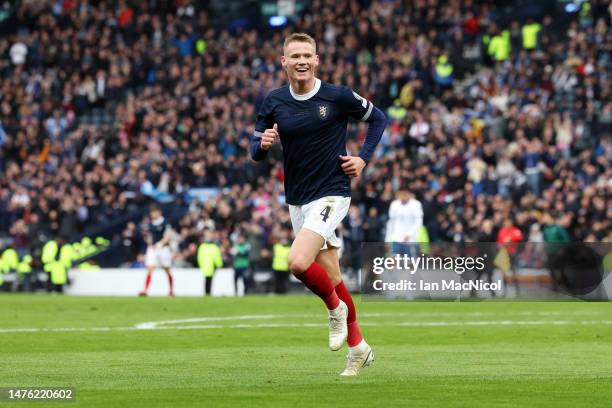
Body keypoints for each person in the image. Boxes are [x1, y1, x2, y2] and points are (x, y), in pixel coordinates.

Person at [250, 33, 386, 376]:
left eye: (307, 55)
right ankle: (358, 348)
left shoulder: (336, 96)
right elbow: (255, 151)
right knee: (333, 276)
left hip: (332, 191)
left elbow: (378, 118)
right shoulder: (274, 101)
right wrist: (263, 145)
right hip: (298, 198)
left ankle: (335, 311)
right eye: (294, 56)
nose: (301, 61)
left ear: (317, 59)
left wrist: (363, 158)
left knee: (297, 262)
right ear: (283, 62)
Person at [139, 206, 175, 297]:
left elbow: (168, 236)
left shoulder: (165, 223)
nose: (152, 214)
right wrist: (150, 245)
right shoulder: (151, 224)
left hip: (163, 249)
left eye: (154, 212)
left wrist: (161, 243)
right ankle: (145, 290)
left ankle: (171, 290)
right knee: (150, 268)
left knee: (167, 269)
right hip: (154, 249)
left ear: (159, 212)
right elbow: (150, 236)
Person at [385, 187, 424, 256]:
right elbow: (391, 222)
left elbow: (418, 222)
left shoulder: (416, 204)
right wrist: (387, 239)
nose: (403, 196)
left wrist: (409, 234)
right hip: (396, 239)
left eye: (405, 194)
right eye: (401, 194)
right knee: (394, 262)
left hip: (410, 240)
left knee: (410, 263)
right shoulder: (394, 204)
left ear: (409, 194)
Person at [197, 230, 223, 296]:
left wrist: (219, 264)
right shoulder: (206, 247)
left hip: (210, 267)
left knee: (208, 280)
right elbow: (200, 257)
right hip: (208, 267)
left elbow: (217, 257)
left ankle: (207, 293)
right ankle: (208, 293)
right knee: (208, 280)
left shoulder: (205, 247)